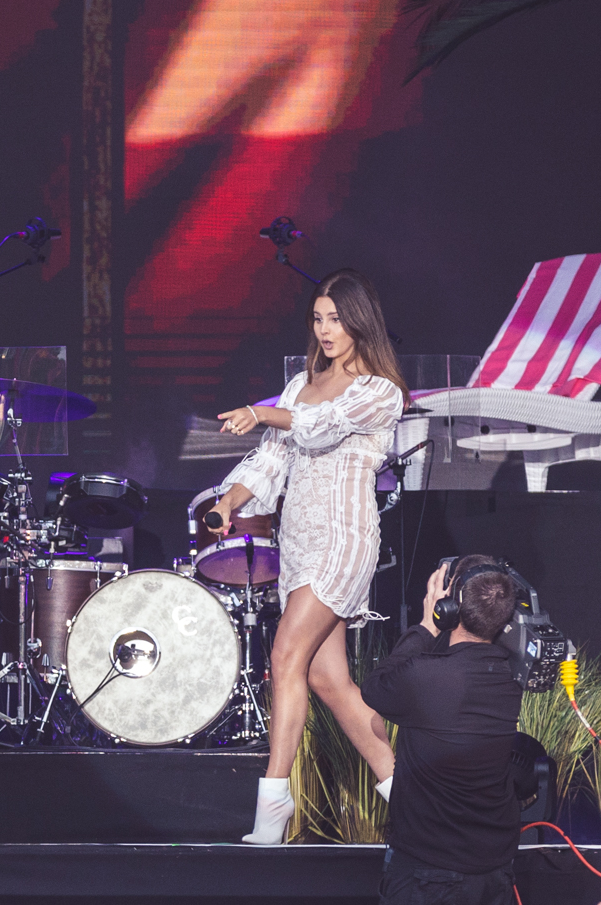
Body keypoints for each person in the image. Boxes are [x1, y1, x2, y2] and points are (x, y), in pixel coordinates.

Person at [212, 268, 409, 843]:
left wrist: (261, 410)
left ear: (359, 322)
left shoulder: (380, 391)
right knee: (328, 680)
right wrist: (230, 502)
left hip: (344, 535)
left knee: (284, 656)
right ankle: (411, 793)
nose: (326, 329)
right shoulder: (301, 383)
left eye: (337, 318)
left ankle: (273, 803)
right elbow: (273, 458)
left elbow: (319, 430)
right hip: (298, 541)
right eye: (318, 318)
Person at [360, 557, 523, 905]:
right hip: (494, 874)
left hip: (430, 877)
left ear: (450, 605)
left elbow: (374, 688)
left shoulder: (427, 678)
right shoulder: (510, 678)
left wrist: (426, 624)